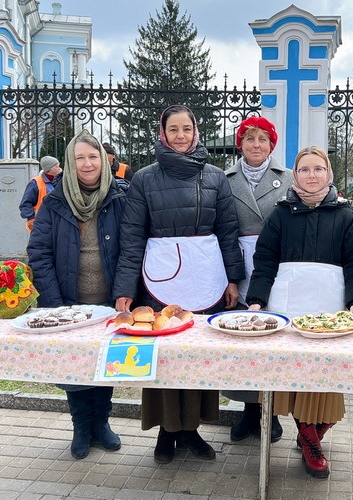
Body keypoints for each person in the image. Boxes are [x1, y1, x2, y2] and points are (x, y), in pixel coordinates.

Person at [113, 104, 244, 464]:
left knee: (198, 354)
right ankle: (166, 431)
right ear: (163, 133)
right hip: (161, 279)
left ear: (195, 132)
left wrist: (233, 279)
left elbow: (228, 231)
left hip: (205, 276)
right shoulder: (145, 179)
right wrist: (125, 289)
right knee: (165, 355)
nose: (181, 135)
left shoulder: (215, 177)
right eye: (174, 129)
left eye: (187, 128)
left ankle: (191, 429)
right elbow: (132, 236)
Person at [245, 145, 353, 478]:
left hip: (330, 312)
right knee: (295, 378)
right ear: (295, 175)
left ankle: (311, 433)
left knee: (326, 382)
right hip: (289, 309)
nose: (311, 175)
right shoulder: (281, 214)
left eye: (318, 169)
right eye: (304, 169)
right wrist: (256, 300)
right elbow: (265, 260)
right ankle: (309, 439)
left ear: (329, 174)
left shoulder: (344, 216)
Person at [27, 130, 125, 460]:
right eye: (79, 157)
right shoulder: (54, 202)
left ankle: (102, 423)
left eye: (93, 156)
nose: (87, 163)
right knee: (73, 365)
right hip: (68, 302)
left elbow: (132, 248)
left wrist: (124, 292)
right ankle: (81, 426)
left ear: (104, 161)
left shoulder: (119, 197)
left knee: (105, 364)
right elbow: (39, 252)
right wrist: (55, 303)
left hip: (109, 302)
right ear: (70, 162)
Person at [223, 116, 292, 444]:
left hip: (278, 265)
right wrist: (230, 275)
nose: (256, 145)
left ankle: (271, 411)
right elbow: (223, 229)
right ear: (241, 144)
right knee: (244, 337)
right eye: (249, 139)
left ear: (271, 145)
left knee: (272, 337)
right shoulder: (226, 179)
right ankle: (248, 410)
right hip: (240, 263)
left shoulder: (288, 178)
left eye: (263, 139)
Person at [19, 155, 61, 232]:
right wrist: (31, 219)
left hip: (58, 223)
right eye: (57, 166)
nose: (59, 168)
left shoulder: (61, 181)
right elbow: (26, 203)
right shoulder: (35, 183)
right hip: (42, 224)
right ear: (49, 170)